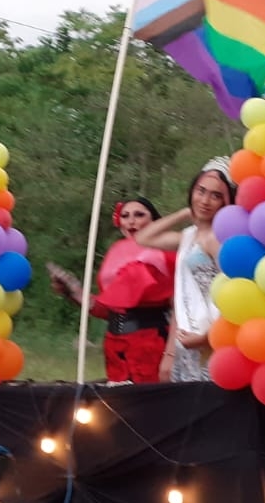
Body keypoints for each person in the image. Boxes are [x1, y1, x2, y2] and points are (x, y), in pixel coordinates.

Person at [49, 197, 175, 383]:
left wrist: (171, 354)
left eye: (139, 215)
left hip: (150, 343)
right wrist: (73, 292)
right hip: (115, 344)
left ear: (155, 221)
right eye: (125, 216)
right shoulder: (116, 252)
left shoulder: (168, 252)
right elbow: (108, 308)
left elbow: (179, 307)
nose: (131, 221)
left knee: (148, 402)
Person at [134, 157, 235, 382]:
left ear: (226, 202)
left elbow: (234, 294)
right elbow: (143, 237)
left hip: (212, 341)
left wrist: (206, 338)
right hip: (187, 339)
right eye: (201, 191)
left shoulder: (218, 239)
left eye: (216, 195)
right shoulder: (189, 235)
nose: (206, 200)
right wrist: (184, 212)